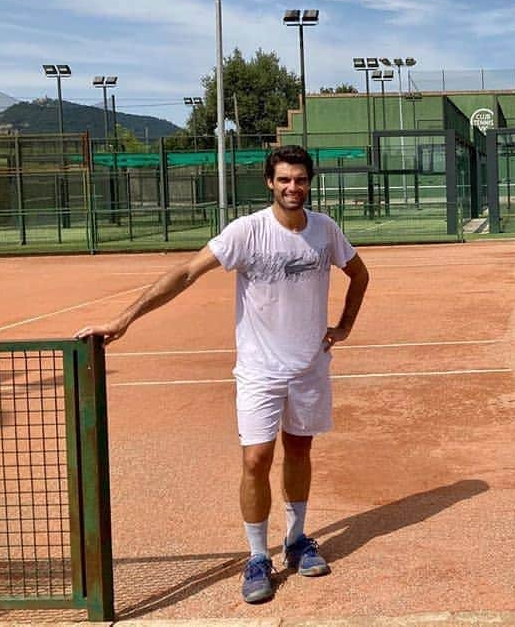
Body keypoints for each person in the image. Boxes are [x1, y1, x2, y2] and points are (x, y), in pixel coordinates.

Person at [75, 145, 369, 605]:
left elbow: (360, 274)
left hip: (310, 367)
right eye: (285, 180)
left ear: (310, 183)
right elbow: (187, 272)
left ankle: (296, 541)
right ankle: (257, 556)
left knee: (299, 450)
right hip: (259, 371)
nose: (294, 187)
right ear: (269, 183)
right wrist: (123, 320)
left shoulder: (325, 230)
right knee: (255, 460)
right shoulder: (247, 232)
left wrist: (345, 326)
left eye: (301, 179)